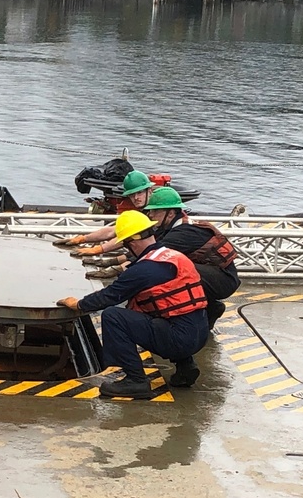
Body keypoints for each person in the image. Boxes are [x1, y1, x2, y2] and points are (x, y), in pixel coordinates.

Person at [56, 210, 209, 398]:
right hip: (200, 334)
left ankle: (135, 381)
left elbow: (110, 296)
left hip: (179, 340)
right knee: (161, 309)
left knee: (114, 316)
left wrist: (79, 304)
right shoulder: (173, 256)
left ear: (133, 242)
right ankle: (186, 367)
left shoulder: (144, 269)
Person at [144, 187, 239, 333]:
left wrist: (115, 265)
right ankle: (210, 307)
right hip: (214, 275)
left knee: (172, 271)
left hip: (223, 280)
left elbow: (152, 254)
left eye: (155, 211)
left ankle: (201, 311)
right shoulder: (175, 225)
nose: (150, 214)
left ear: (170, 213)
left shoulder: (184, 232)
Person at [54, 170, 154, 256]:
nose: (136, 198)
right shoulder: (144, 211)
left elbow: (128, 237)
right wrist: (83, 239)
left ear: (149, 190)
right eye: (132, 195)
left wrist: (99, 249)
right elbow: (114, 231)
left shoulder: (156, 211)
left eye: (139, 193)